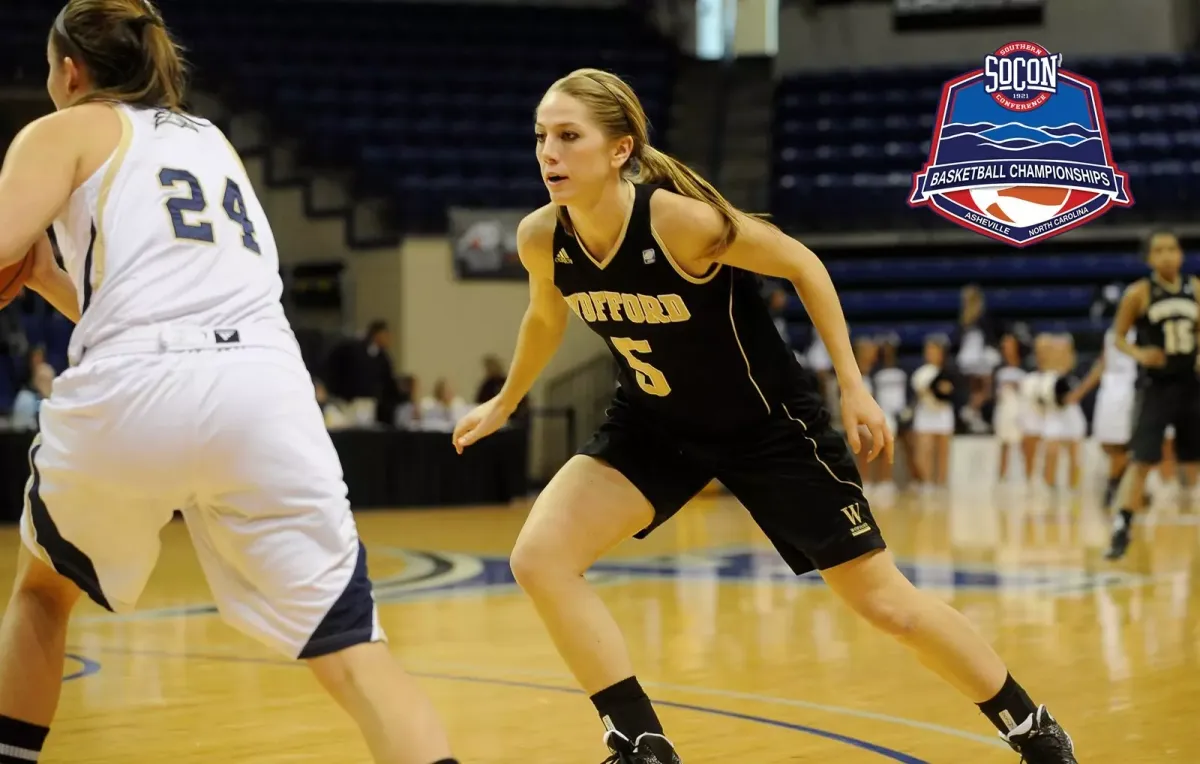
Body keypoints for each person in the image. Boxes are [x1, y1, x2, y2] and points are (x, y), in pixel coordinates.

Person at [451, 68, 1077, 764]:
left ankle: (1032, 727)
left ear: (621, 149)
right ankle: (639, 742)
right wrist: (505, 401)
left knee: (885, 605)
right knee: (539, 557)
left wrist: (853, 384)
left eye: (569, 136)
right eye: (542, 137)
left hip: (767, 427)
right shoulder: (542, 236)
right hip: (655, 425)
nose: (549, 153)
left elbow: (802, 264)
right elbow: (544, 314)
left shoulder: (677, 221)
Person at [0, 4, 458, 764]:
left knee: (45, 595)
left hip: (136, 388)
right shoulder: (213, 141)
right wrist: (49, 278)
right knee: (350, 646)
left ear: (70, 72)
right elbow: (165, 296)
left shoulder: (64, 127)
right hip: (264, 391)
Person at [1107, 230, 1200, 560]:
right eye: (1158, 250)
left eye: (1172, 248)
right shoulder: (1140, 293)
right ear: (1149, 259)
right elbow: (1117, 336)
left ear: (1181, 254)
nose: (1166, 255)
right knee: (1143, 459)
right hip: (1156, 387)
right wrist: (1139, 353)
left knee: (1192, 459)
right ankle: (1121, 526)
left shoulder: (1196, 288)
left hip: (1191, 382)